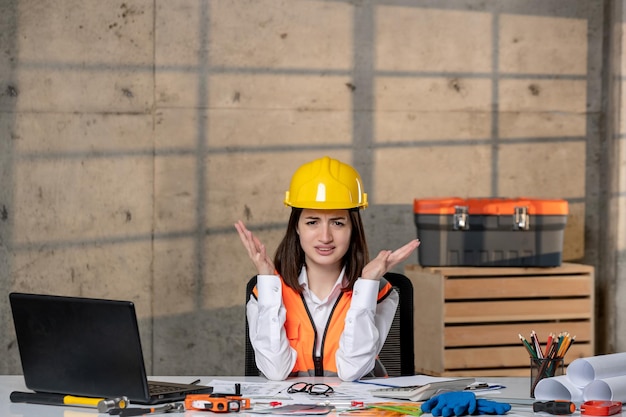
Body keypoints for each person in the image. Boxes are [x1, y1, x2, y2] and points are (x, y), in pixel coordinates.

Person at [235, 156, 420, 381]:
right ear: (296, 227)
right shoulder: (264, 292)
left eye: (338, 223)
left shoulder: (381, 292)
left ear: (353, 228)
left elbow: (352, 371)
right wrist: (267, 280)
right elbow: (275, 371)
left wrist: (367, 285)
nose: (325, 237)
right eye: (312, 222)